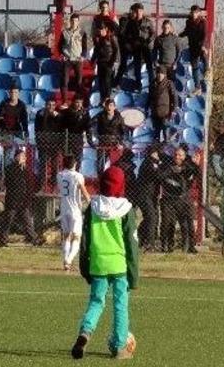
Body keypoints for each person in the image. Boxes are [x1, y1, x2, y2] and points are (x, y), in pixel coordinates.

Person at [71, 165, 138, 360]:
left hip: (98, 264)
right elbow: (131, 243)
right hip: (119, 265)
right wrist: (133, 275)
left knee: (96, 302)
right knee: (120, 304)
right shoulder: (126, 209)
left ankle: (85, 333)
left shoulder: (92, 207)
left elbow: (85, 241)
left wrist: (85, 267)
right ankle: (119, 346)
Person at [159, 146, 199, 253]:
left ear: (184, 156)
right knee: (167, 223)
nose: (177, 157)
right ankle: (166, 245)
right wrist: (171, 170)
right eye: (176, 154)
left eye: (180, 155)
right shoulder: (167, 165)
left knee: (187, 223)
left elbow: (197, 172)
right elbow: (160, 175)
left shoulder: (188, 166)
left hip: (183, 199)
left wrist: (192, 165)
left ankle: (189, 246)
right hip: (169, 199)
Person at [0, 148, 40, 247]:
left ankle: (34, 239)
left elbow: (32, 183)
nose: (23, 158)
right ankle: (2, 240)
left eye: (24, 156)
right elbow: (7, 182)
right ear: (16, 157)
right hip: (13, 200)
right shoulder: (10, 168)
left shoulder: (26, 170)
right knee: (8, 220)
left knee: (27, 221)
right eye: (21, 156)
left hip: (23, 201)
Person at [57, 154, 91, 271]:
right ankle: (69, 260)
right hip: (75, 210)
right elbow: (83, 190)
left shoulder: (59, 175)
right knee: (76, 237)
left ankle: (66, 259)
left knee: (66, 236)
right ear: (75, 164)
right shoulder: (78, 176)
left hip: (64, 208)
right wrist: (90, 202)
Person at [115, 3, 155, 90]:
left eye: (140, 11)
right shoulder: (128, 20)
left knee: (148, 65)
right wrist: (128, 44)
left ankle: (150, 83)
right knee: (127, 64)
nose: (138, 13)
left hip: (144, 46)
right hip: (133, 46)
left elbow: (153, 33)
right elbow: (123, 33)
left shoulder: (147, 22)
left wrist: (147, 41)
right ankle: (118, 82)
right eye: (136, 11)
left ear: (142, 11)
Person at [136, 145, 162, 251]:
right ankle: (149, 244)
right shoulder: (148, 163)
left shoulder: (154, 163)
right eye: (157, 153)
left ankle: (140, 238)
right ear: (153, 153)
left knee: (152, 217)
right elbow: (156, 175)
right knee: (151, 217)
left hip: (151, 195)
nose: (158, 156)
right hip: (144, 195)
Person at [90, 98, 124, 173]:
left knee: (115, 163)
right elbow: (90, 123)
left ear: (114, 107)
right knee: (100, 163)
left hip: (114, 142)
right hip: (102, 141)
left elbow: (123, 131)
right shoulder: (100, 115)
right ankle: (100, 178)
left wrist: (121, 143)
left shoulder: (119, 117)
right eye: (107, 105)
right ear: (105, 107)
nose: (109, 107)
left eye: (111, 105)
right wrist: (94, 136)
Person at [35, 98, 62, 189]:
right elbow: (39, 128)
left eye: (53, 105)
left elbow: (61, 128)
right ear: (45, 105)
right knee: (43, 165)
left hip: (54, 145)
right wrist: (45, 116)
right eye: (49, 105)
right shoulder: (40, 114)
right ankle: (41, 185)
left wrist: (57, 117)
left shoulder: (58, 115)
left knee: (55, 165)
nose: (51, 107)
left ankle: (54, 184)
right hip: (43, 144)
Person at [179, 5, 207, 94]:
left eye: (195, 12)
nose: (194, 14)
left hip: (200, 46)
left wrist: (203, 45)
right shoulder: (189, 22)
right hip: (193, 46)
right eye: (192, 12)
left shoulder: (203, 22)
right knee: (194, 67)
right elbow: (186, 31)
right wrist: (178, 35)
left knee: (203, 56)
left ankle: (206, 72)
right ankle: (197, 87)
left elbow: (204, 35)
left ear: (198, 13)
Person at [60, 13, 88, 102]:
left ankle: (78, 101)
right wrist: (62, 55)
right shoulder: (64, 32)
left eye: (76, 21)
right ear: (70, 21)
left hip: (77, 60)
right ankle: (64, 101)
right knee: (65, 81)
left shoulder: (82, 33)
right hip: (67, 59)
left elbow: (85, 46)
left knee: (79, 82)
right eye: (72, 21)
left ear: (78, 22)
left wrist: (83, 56)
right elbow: (59, 46)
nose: (74, 22)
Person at [90, 23, 118, 103]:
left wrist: (112, 62)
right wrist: (93, 60)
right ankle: (102, 99)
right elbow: (96, 50)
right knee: (101, 81)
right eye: (99, 30)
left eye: (102, 29)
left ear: (106, 29)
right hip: (100, 62)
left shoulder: (111, 37)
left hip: (108, 62)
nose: (100, 31)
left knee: (107, 81)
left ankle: (107, 98)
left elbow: (116, 50)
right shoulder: (98, 38)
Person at [148, 65, 176, 142]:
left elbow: (174, 97)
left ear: (165, 75)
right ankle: (157, 145)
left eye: (162, 73)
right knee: (156, 132)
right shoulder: (153, 83)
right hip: (155, 111)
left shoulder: (169, 84)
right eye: (158, 73)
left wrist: (173, 110)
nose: (160, 75)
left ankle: (166, 143)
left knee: (165, 132)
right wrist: (147, 107)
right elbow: (150, 96)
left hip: (165, 112)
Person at [62, 96, 90, 169]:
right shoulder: (67, 112)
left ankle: (77, 172)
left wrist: (89, 140)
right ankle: (66, 173)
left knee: (78, 158)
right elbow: (64, 125)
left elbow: (88, 127)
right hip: (68, 138)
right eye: (77, 102)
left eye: (80, 103)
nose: (79, 104)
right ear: (73, 102)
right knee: (67, 158)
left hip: (79, 138)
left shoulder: (85, 113)